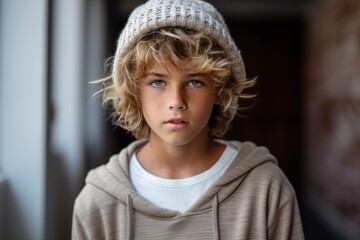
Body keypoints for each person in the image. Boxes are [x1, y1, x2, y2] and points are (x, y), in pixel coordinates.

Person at [72, 0, 304, 239]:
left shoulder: (266, 188)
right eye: (157, 82)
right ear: (134, 91)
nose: (176, 101)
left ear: (219, 90)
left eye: (195, 82)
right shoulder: (96, 202)